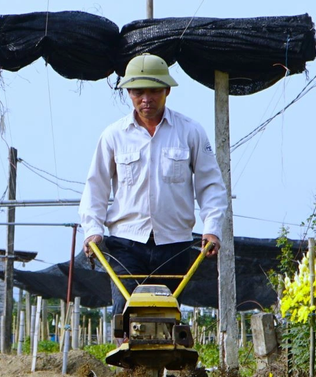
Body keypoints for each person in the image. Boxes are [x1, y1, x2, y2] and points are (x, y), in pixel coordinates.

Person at [79, 53, 228, 313]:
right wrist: (92, 230)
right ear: (128, 93)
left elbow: (211, 185)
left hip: (175, 243)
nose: (146, 99)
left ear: (167, 91)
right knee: (127, 315)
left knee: (165, 315)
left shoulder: (190, 131)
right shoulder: (113, 136)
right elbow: (96, 188)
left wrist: (212, 229)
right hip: (126, 243)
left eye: (153, 91)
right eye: (138, 92)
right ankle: (124, 349)